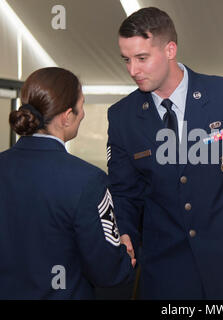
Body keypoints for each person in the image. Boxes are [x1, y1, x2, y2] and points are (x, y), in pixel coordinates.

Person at [107, 7, 223, 300]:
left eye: (142, 58)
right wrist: (124, 231)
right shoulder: (123, 116)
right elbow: (125, 193)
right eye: (126, 59)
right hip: (165, 269)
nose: (132, 70)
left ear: (170, 49)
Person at [0, 67, 135, 299]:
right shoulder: (88, 180)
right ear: (66, 116)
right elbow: (107, 271)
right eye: (81, 106)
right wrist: (124, 252)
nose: (83, 114)